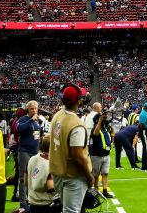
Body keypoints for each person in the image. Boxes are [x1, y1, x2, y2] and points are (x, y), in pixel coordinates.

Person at [48, 85, 94, 213]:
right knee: (72, 211)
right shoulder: (76, 124)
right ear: (79, 101)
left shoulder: (57, 115)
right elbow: (77, 155)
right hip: (73, 176)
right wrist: (89, 176)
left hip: (58, 173)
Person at [13, 101, 42, 206]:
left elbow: (38, 135)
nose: (34, 110)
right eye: (32, 109)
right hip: (24, 151)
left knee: (34, 177)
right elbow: (19, 129)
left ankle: (31, 200)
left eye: (35, 108)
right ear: (28, 109)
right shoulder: (23, 119)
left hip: (35, 152)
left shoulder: (37, 121)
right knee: (23, 177)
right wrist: (30, 120)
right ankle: (23, 202)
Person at [85, 102, 114, 199]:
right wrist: (100, 121)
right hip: (97, 155)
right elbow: (96, 132)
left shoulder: (105, 129)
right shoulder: (95, 129)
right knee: (96, 175)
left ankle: (105, 191)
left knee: (105, 173)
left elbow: (112, 132)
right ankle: (96, 191)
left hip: (106, 155)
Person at [26, 136, 56, 213]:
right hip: (46, 205)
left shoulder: (32, 159)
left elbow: (26, 181)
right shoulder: (51, 165)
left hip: (32, 203)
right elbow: (51, 188)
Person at [137, 103, 147, 171]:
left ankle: (145, 165)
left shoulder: (145, 113)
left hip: (145, 132)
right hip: (144, 132)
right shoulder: (144, 113)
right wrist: (145, 131)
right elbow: (141, 124)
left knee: (146, 148)